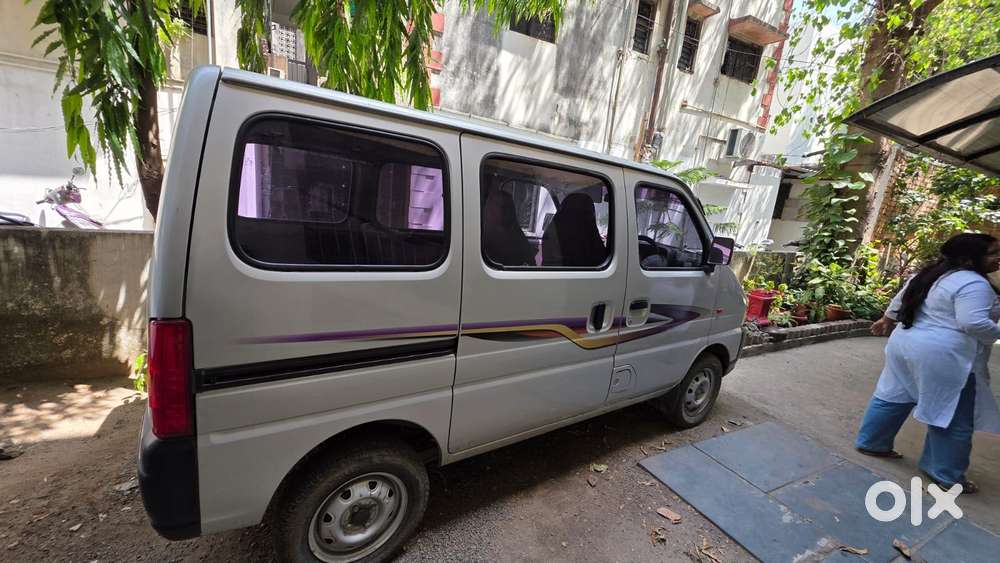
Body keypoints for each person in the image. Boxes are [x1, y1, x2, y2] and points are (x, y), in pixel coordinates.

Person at [856, 233, 1000, 493]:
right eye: (993, 253)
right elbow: (973, 323)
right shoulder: (973, 284)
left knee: (893, 395)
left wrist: (887, 320)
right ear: (969, 258)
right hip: (943, 356)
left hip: (905, 344)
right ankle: (944, 473)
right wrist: (996, 332)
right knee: (953, 413)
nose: (998, 258)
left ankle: (872, 442)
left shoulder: (933, 273)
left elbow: (901, 298)